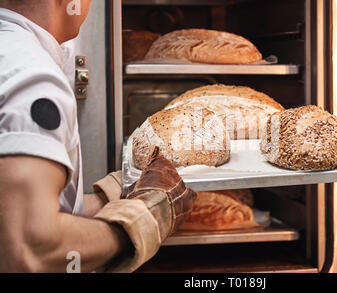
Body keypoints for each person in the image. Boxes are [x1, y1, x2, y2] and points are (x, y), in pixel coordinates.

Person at [0, 0, 196, 273]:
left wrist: (115, 196)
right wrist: (138, 223)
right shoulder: (33, 77)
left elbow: (11, 208)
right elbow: (29, 249)